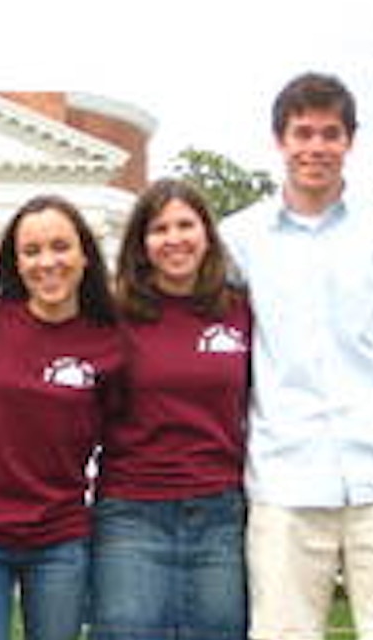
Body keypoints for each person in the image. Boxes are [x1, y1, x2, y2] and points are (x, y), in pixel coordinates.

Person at [221, 73, 373, 640]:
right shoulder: (238, 240)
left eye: (330, 133)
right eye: (303, 133)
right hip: (285, 477)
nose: (316, 147)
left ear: (350, 141)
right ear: (279, 141)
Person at [0, 194, 123, 640]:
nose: (48, 262)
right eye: (32, 251)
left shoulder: (113, 340)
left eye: (61, 247)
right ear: (16, 263)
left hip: (60, 536)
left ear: (85, 255)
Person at [91, 178, 251, 640]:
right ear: (142, 243)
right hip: (132, 511)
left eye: (186, 225)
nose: (174, 238)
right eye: (160, 229)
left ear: (207, 235)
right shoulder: (113, 314)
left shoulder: (240, 311)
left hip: (221, 511)